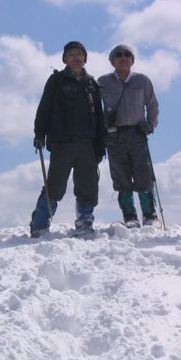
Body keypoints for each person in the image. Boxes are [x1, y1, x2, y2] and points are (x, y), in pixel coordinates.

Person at [29, 41, 106, 238]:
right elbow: (44, 108)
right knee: (54, 185)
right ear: (64, 59)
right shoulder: (56, 81)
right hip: (62, 142)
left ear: (85, 58)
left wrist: (101, 144)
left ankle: (85, 222)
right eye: (71, 54)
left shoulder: (92, 84)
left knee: (88, 186)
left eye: (79, 54)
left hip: (87, 143)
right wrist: (39, 133)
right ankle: (40, 224)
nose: (76, 58)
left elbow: (100, 117)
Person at [98, 44, 160, 228]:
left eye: (127, 54)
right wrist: (102, 123)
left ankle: (150, 216)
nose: (123, 57)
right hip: (113, 136)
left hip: (137, 134)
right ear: (112, 61)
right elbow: (92, 107)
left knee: (144, 175)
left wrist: (150, 124)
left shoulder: (142, 80)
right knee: (121, 178)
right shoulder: (102, 82)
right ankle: (130, 217)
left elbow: (153, 105)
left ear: (132, 60)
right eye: (118, 55)